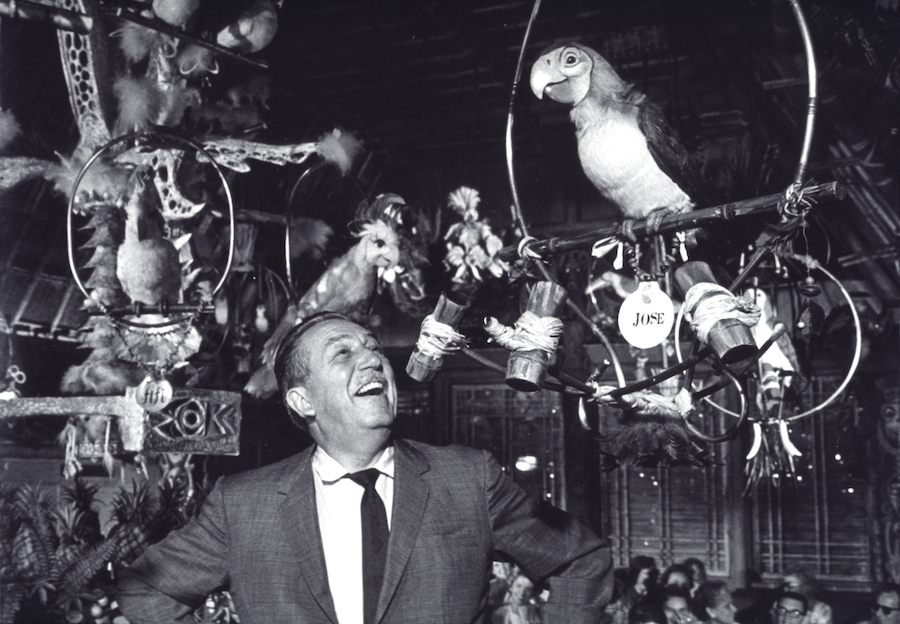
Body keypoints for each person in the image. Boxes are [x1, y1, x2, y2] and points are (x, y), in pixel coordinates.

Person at [116, 312, 613, 624]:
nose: (373, 360)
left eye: (374, 348)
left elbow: (581, 559)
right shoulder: (243, 504)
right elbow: (146, 586)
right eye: (343, 353)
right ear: (302, 401)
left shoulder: (468, 478)